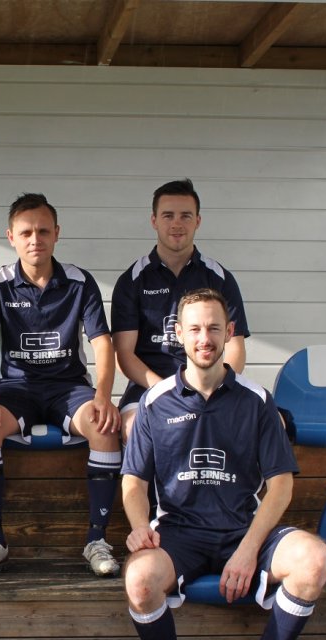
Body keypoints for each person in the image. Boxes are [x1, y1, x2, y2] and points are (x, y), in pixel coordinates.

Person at [121, 289, 326, 640]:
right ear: (178, 334)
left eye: (214, 328)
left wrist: (248, 550)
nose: (205, 338)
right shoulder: (154, 402)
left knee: (314, 560)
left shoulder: (257, 400)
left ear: (229, 332)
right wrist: (139, 528)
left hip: (243, 528)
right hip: (179, 531)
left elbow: (281, 485)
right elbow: (133, 482)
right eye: (195, 329)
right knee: (139, 579)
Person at [0, 193, 121, 577]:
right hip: (16, 388)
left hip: (68, 387)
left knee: (104, 427)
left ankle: (97, 540)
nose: (35, 240)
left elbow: (103, 344)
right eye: (26, 232)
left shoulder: (80, 282)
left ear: (57, 234)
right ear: (11, 237)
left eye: (43, 231)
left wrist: (104, 397)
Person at [112, 179, 250, 442]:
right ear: (154, 220)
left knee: (263, 422)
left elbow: (235, 349)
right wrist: (168, 390)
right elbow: (124, 355)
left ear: (197, 221)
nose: (177, 224)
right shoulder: (132, 280)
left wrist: (213, 387)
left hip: (210, 384)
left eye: (185, 216)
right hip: (149, 386)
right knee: (132, 429)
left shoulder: (219, 278)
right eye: (168, 216)